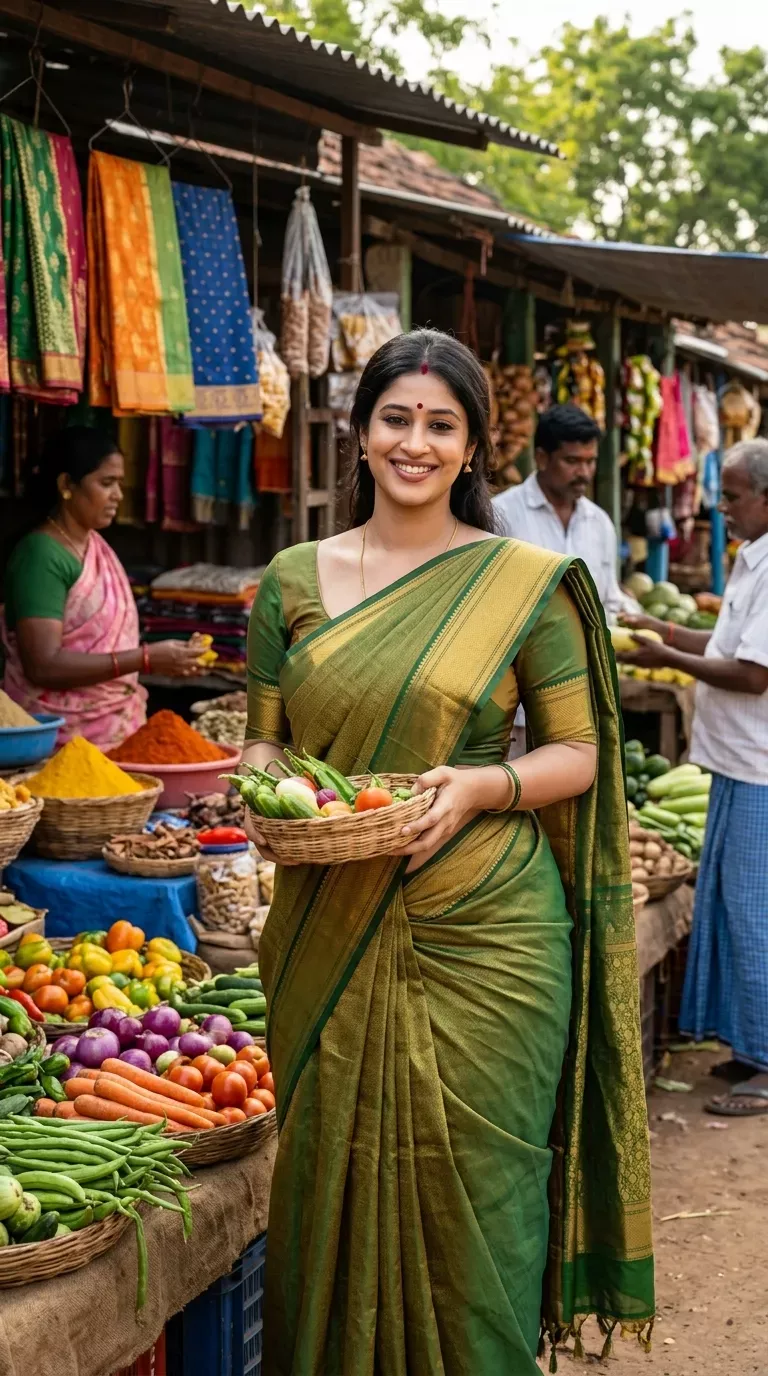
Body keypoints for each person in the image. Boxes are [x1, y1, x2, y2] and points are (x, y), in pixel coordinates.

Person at [241, 329, 654, 1375]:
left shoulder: (523, 581)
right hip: (327, 910)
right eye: (396, 418)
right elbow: (264, 738)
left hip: (489, 936)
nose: (415, 442)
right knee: (327, 1178)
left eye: (441, 423)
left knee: (483, 1201)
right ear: (361, 430)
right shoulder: (292, 579)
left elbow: (579, 752)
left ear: (473, 447)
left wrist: (476, 785)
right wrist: (268, 800)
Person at [618, 438, 768, 1118]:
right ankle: (750, 1045)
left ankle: (765, 1063)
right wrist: (659, 630)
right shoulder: (749, 559)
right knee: (736, 910)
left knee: (754, 914)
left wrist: (669, 660)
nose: (723, 507)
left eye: (734, 495)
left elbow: (753, 673)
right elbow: (727, 644)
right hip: (735, 761)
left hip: (759, 767)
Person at [1, 427, 203, 749]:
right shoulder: (41, 555)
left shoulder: (94, 547)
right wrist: (147, 658)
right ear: (67, 485)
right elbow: (43, 665)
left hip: (116, 731)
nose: (118, 496)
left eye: (119, 484)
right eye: (106, 483)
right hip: (57, 741)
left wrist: (169, 659)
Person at [492, 403, 638, 621]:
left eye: (590, 462)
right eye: (572, 461)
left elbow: (609, 601)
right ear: (541, 459)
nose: (584, 473)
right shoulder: (501, 515)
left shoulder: (600, 523)